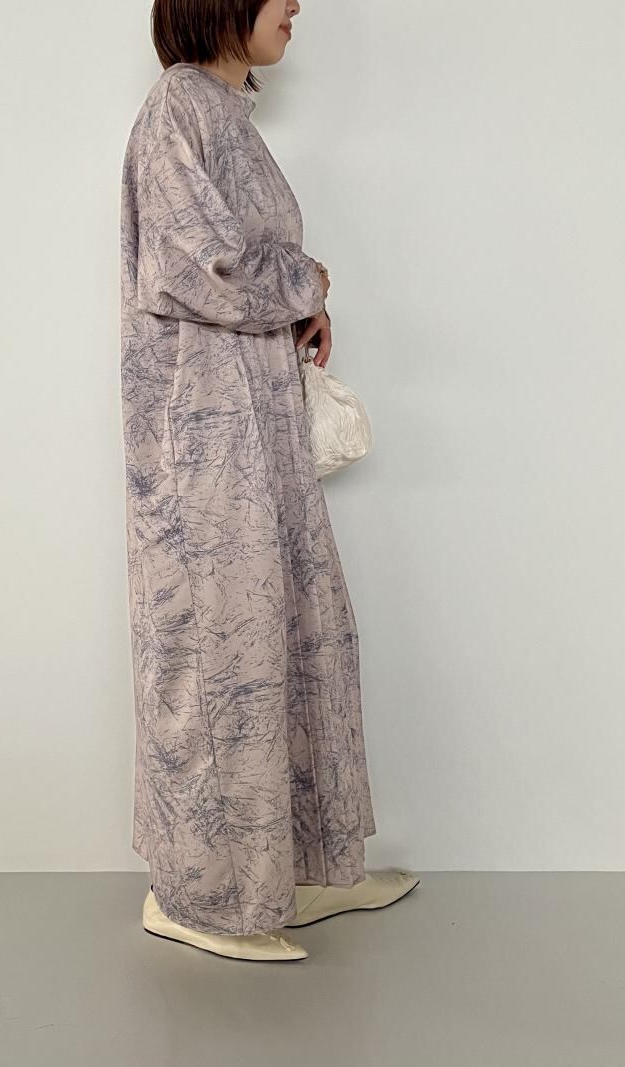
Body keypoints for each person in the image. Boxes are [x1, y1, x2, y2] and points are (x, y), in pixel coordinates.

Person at [119, 0, 418, 962]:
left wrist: (297, 307)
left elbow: (245, 269)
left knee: (297, 632)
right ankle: (199, 895)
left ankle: (294, 873)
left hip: (260, 432)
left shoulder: (227, 113)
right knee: (222, 655)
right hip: (203, 448)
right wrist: (307, 282)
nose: (296, 6)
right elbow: (196, 266)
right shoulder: (180, 105)